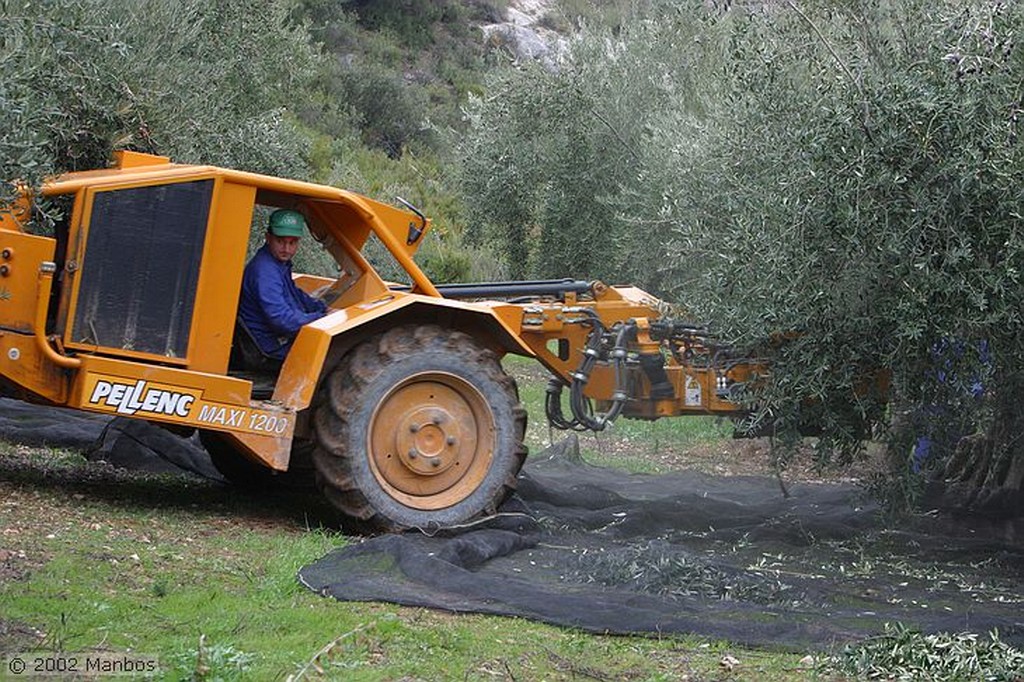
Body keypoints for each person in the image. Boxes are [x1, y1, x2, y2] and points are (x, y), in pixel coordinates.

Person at [237, 209, 327, 369]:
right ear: (268, 238)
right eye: (281, 241)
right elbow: (282, 321)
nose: (286, 248)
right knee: (328, 359)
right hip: (268, 347)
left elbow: (293, 292)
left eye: (292, 242)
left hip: (273, 338)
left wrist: (321, 307)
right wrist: (320, 318)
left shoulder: (277, 263)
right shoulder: (265, 272)